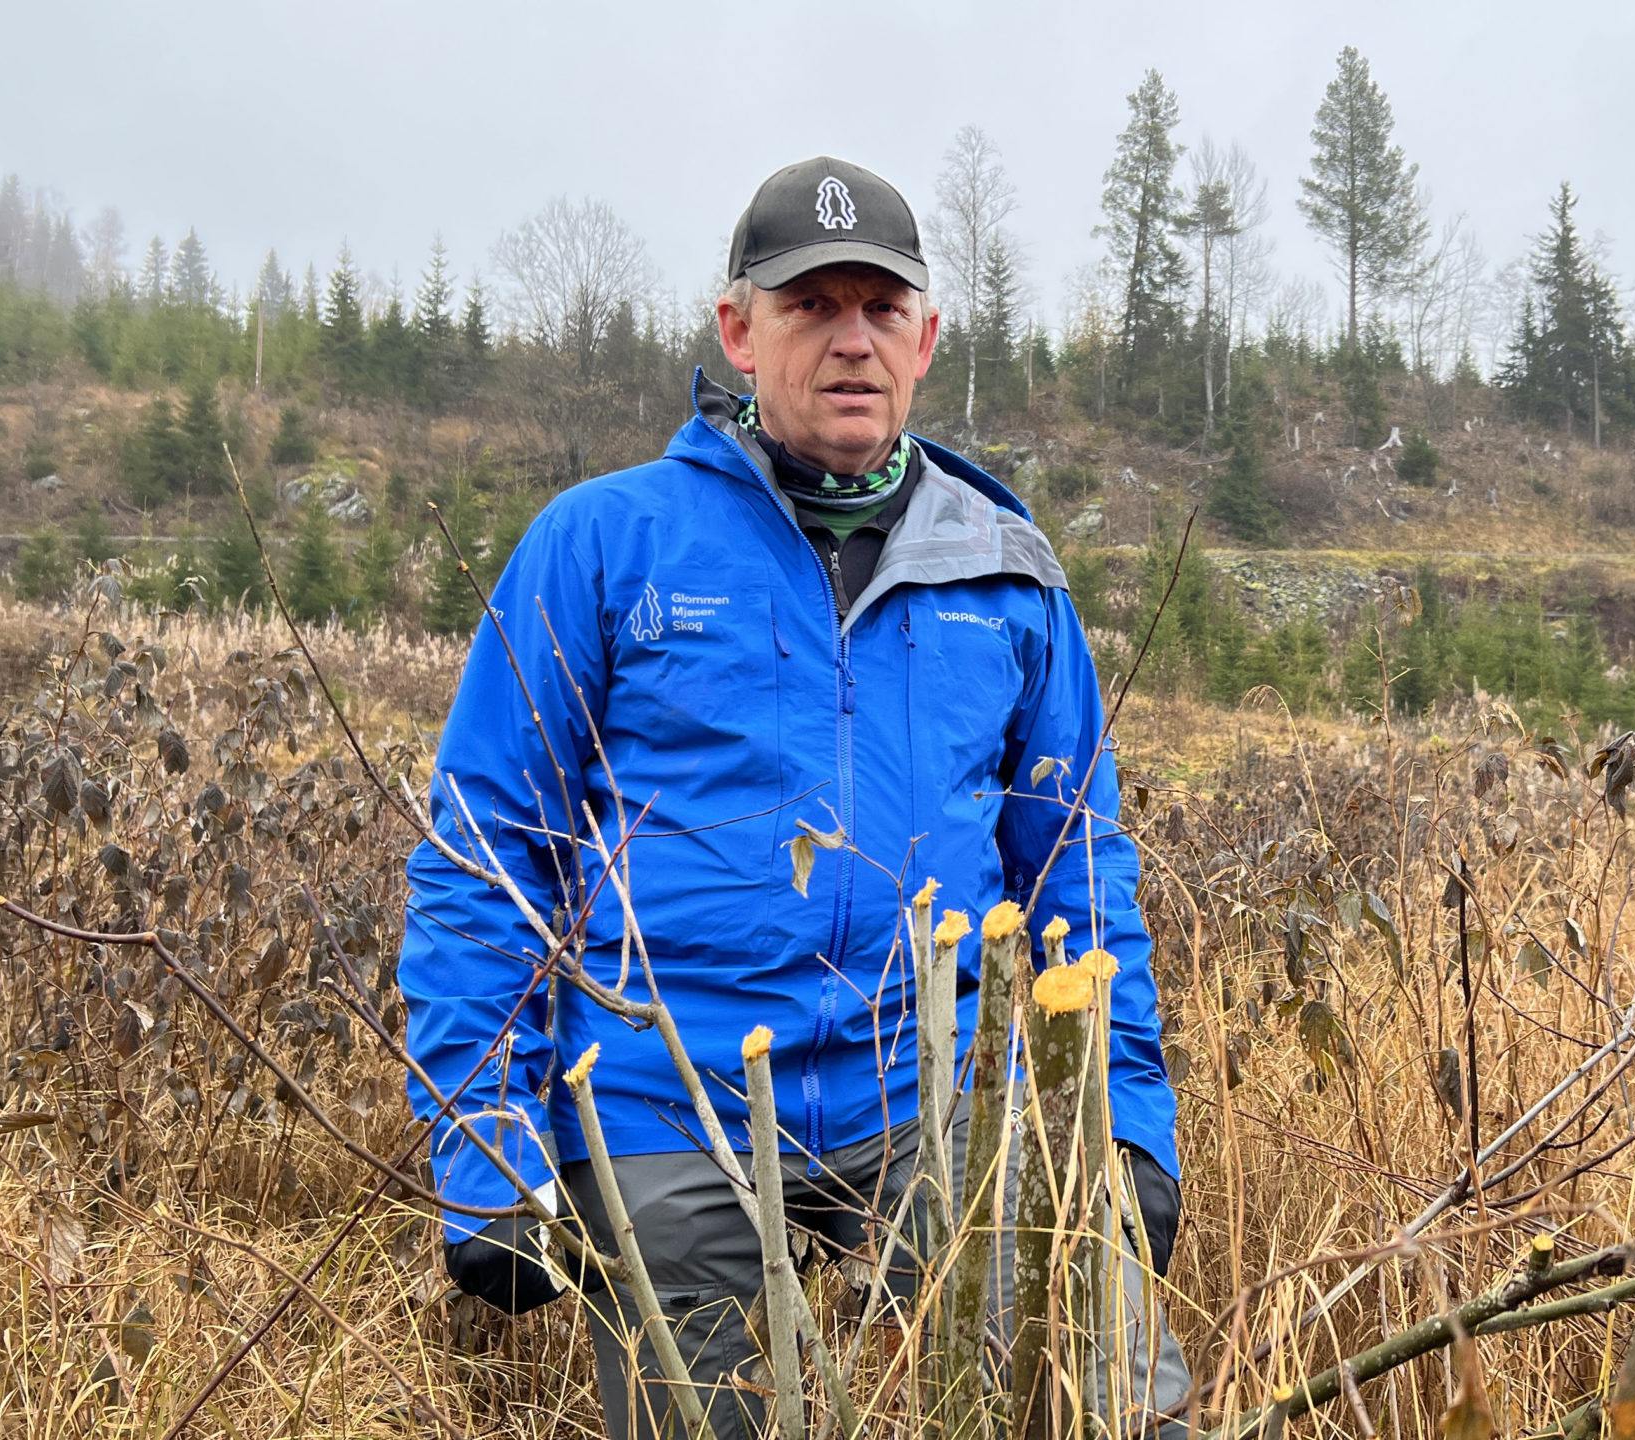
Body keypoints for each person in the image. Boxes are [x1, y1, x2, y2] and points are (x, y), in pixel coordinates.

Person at [400, 156, 1185, 1437]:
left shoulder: (1009, 576)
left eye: (880, 308)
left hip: (929, 1088)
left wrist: (1126, 1127)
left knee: (1107, 1398)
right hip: (667, 1092)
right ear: (737, 330)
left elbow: (1077, 879)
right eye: (809, 306)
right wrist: (488, 1149)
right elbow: (486, 856)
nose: (850, 342)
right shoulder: (603, 544)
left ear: (927, 337)